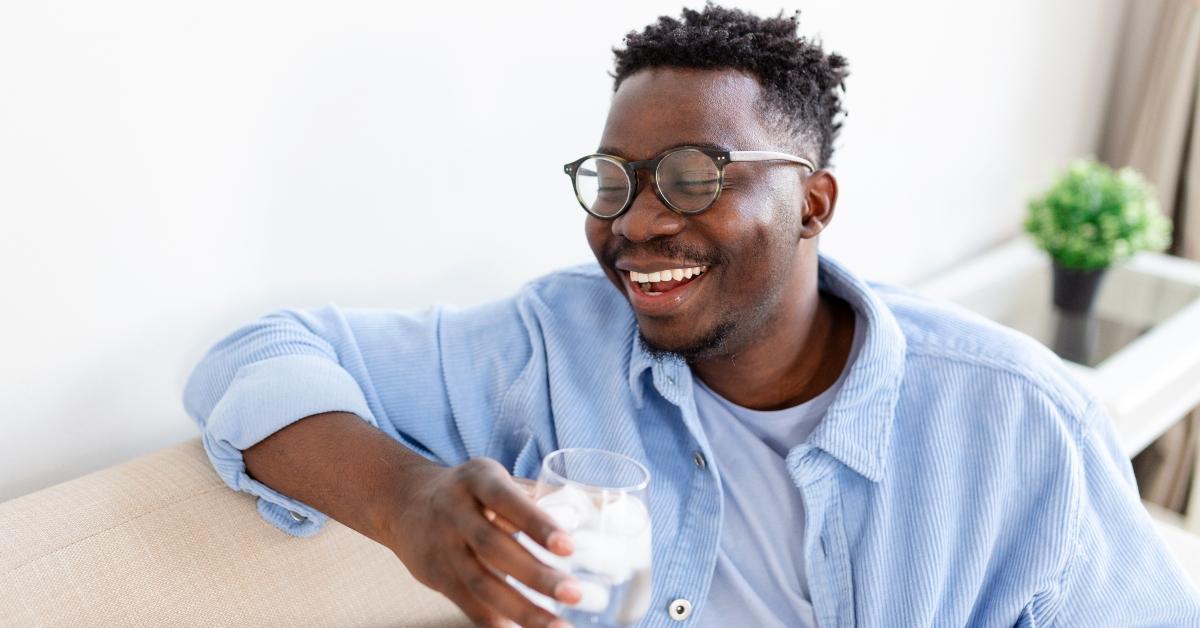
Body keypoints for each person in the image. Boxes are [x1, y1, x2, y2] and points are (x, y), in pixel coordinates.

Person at [183, 5, 1200, 627]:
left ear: (813, 203)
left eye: (693, 174)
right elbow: (257, 356)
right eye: (614, 181)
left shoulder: (1019, 421)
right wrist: (407, 501)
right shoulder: (552, 342)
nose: (640, 221)